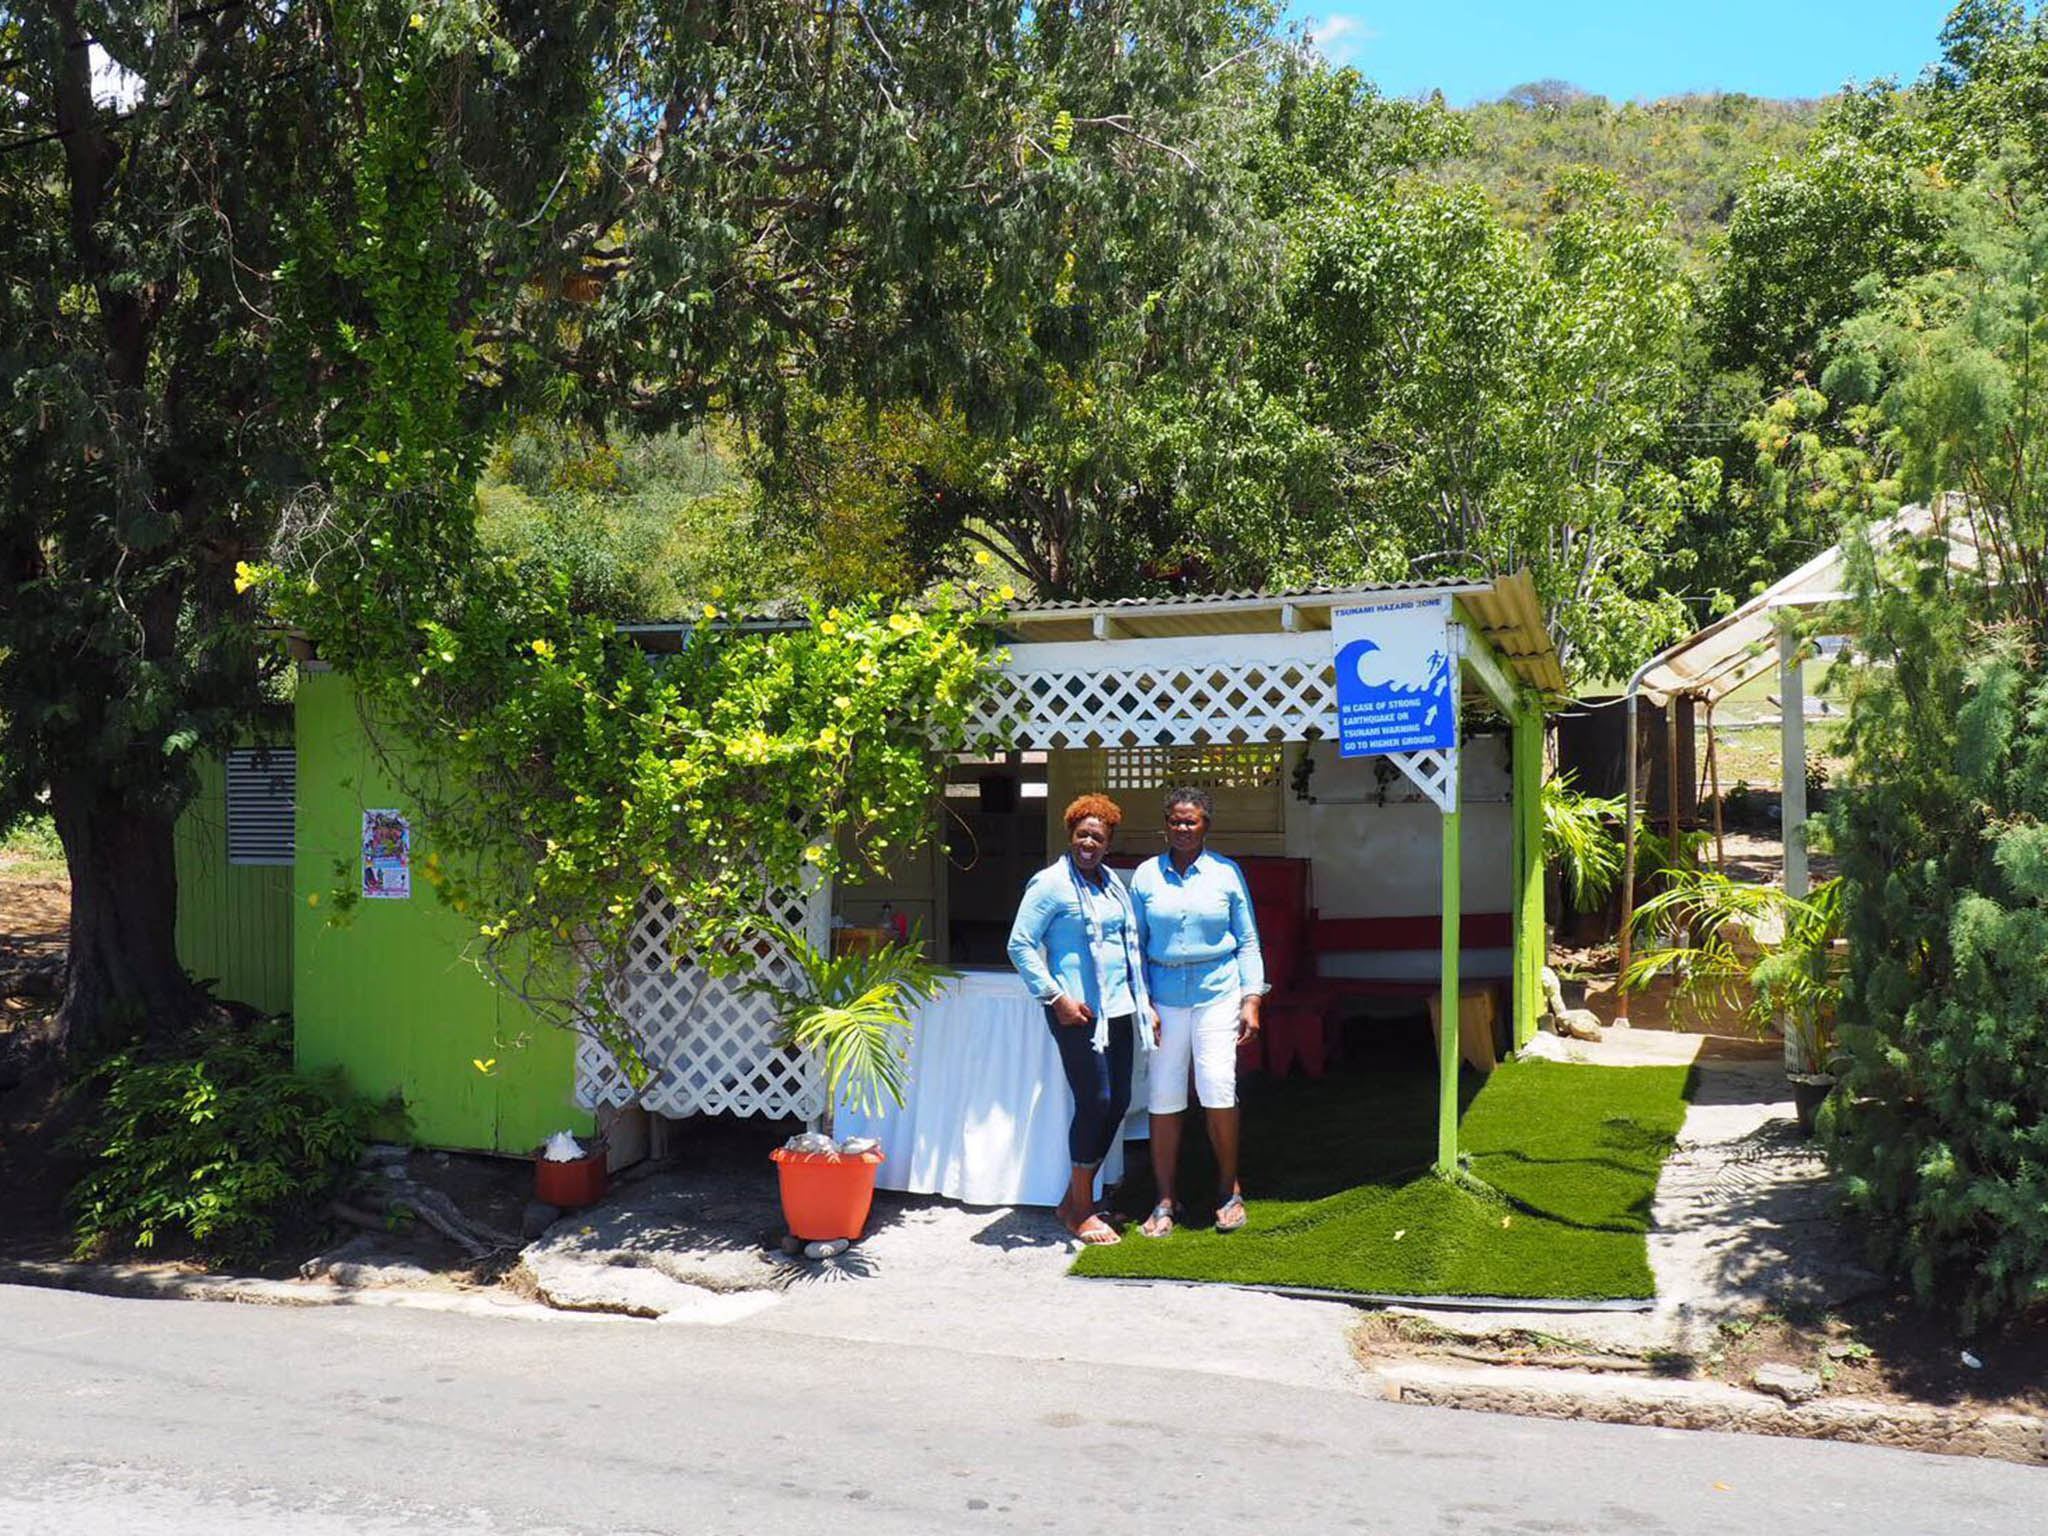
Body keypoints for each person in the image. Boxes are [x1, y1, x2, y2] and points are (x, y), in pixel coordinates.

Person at [1007, 793, 1157, 1245]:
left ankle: (1072, 1202)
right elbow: (1019, 944)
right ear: (1071, 834)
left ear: (1109, 842)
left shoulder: (1112, 885)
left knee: (1118, 1100)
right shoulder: (1050, 884)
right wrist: (1056, 997)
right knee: (1095, 1101)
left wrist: (1142, 1000)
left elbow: (1127, 949)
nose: (1089, 841)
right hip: (1078, 1013)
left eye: (1099, 835)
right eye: (1082, 833)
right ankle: (1081, 1208)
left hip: (1119, 1010)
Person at [1127, 785, 1264, 1236]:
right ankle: (1166, 1199)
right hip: (1164, 998)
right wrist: (1143, 1000)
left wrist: (1252, 999)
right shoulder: (1146, 876)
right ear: (1165, 824)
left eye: (1192, 820)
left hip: (1217, 993)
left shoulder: (1226, 873)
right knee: (1165, 1095)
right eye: (1176, 820)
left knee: (1218, 1087)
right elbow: (1134, 946)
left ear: (1207, 824)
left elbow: (1246, 940)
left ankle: (1229, 1189)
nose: (1183, 828)